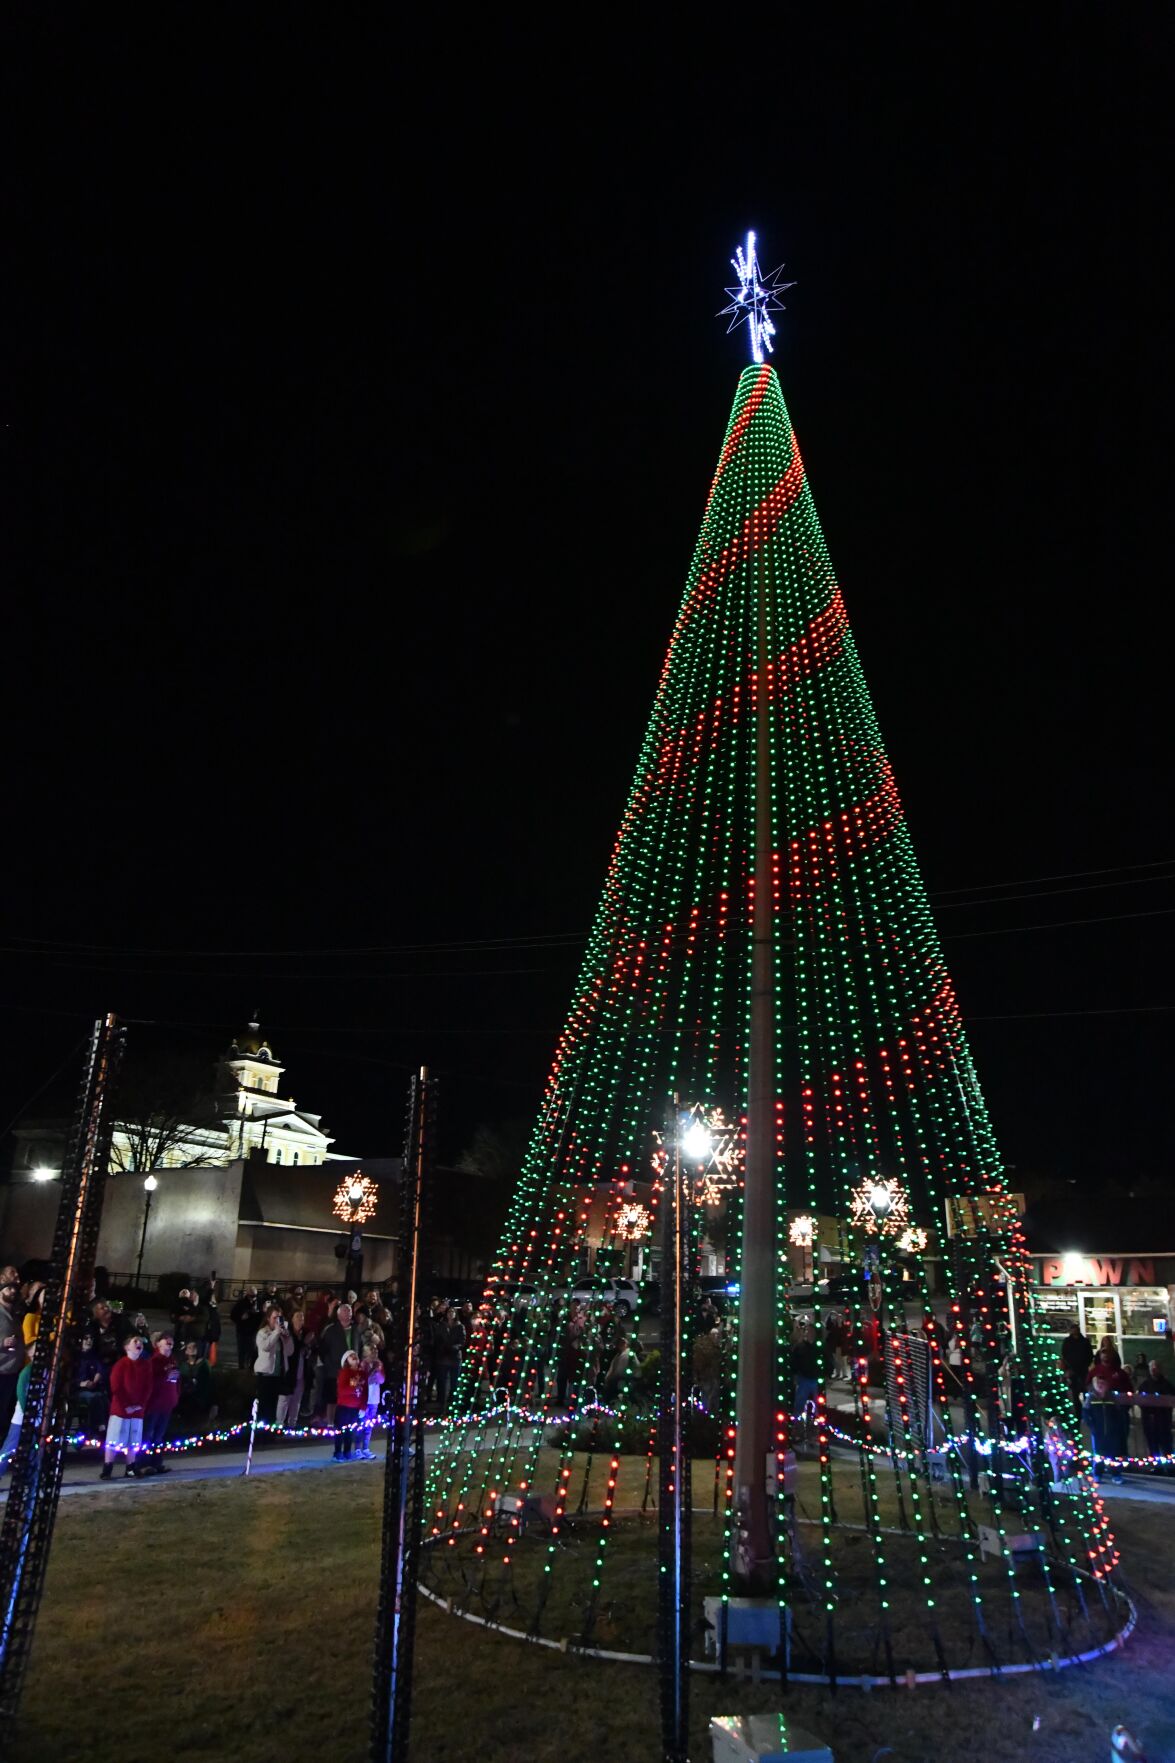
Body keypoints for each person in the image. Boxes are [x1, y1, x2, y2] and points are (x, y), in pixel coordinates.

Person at [101, 1334, 154, 1479]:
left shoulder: (145, 1365)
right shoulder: (121, 1364)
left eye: (140, 1341)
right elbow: (116, 1387)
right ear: (127, 1347)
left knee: (134, 1439)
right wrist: (126, 1405)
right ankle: (108, 1467)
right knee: (114, 1438)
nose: (139, 1343)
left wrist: (140, 1404)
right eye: (134, 1341)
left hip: (137, 1410)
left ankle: (131, 1467)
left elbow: (148, 1386)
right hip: (121, 1410)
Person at [1085, 1350, 1133, 1483]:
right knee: (1099, 1453)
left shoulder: (1112, 1397)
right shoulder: (1091, 1397)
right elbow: (1086, 1412)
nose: (1101, 1386)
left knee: (1114, 1452)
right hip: (1098, 1429)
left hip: (1112, 1430)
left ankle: (1116, 1474)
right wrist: (1091, 1425)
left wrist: (1117, 1425)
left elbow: (1118, 1412)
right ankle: (1098, 1473)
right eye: (1098, 1384)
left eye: (1103, 1384)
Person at [142, 1331, 183, 1472]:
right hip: (154, 1403)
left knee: (159, 1435)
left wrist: (176, 1396)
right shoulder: (153, 1362)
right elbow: (149, 1382)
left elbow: (177, 1381)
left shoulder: (173, 1361)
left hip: (167, 1403)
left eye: (171, 1340)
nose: (169, 1342)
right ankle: (143, 1463)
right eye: (165, 1340)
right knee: (148, 1434)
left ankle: (156, 1463)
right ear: (158, 1344)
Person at [253, 1305, 291, 1425]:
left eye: (279, 1318)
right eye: (275, 1318)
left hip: (278, 1374)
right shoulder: (263, 1332)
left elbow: (290, 1351)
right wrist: (276, 1332)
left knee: (274, 1405)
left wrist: (287, 1337)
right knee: (264, 1405)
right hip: (265, 1374)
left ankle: (271, 1430)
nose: (277, 1321)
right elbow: (266, 1347)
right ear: (268, 1318)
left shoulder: (281, 1333)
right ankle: (261, 1432)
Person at [276, 1309, 310, 1430]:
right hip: (289, 1370)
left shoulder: (305, 1333)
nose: (301, 1320)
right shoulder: (288, 1333)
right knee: (285, 1398)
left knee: (297, 1399)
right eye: (298, 1317)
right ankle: (279, 1424)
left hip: (301, 1371)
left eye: (302, 1318)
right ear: (292, 1319)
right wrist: (304, 1343)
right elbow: (290, 1350)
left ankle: (292, 1424)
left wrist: (308, 1349)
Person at [1135, 1359, 1175, 1460]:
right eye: (1151, 1367)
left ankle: (1170, 1467)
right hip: (1149, 1421)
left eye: (1156, 1367)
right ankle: (1156, 1467)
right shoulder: (1144, 1385)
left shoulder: (1167, 1385)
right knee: (1152, 1445)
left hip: (1164, 1421)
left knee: (1166, 1445)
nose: (1154, 1369)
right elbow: (1140, 1400)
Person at [0, 1277, 24, 1439]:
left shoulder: (14, 1315)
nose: (13, 1291)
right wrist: (2, 1342)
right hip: (1, 1369)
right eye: (9, 1288)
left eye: (14, 1289)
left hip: (12, 1370)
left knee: (4, 1410)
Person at [73, 1328, 109, 1434]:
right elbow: (69, 1378)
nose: (89, 1341)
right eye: (86, 1338)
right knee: (95, 1397)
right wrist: (82, 1383)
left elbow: (100, 1369)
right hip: (77, 1390)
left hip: (93, 1388)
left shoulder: (94, 1356)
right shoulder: (75, 1357)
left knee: (104, 1398)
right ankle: (97, 1427)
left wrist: (97, 1378)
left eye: (91, 1339)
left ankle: (102, 1427)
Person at [355, 1332, 385, 1458]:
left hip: (374, 1398)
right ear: (365, 1352)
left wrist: (378, 1371)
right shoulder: (362, 1365)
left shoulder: (379, 1364)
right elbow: (361, 1380)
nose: (375, 1352)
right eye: (372, 1350)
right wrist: (372, 1371)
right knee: (361, 1424)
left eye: (376, 1350)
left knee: (369, 1424)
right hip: (364, 1399)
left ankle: (366, 1447)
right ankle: (357, 1449)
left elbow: (382, 1380)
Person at [334, 1350, 365, 1460]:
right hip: (344, 1406)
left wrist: (363, 1407)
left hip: (355, 1408)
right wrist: (354, 1388)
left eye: (355, 1355)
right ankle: (337, 1453)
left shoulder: (361, 1373)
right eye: (351, 1356)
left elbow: (365, 1392)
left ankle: (347, 1452)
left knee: (350, 1432)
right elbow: (342, 1390)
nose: (354, 1357)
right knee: (340, 1431)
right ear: (346, 1360)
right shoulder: (344, 1372)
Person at [1060, 1322, 1094, 1414]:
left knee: (1085, 1390)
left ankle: (1087, 1410)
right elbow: (1064, 1354)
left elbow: (1090, 1354)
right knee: (1075, 1392)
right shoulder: (1067, 1341)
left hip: (1083, 1369)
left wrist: (1086, 1364)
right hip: (1072, 1370)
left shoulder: (1084, 1341)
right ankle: (1078, 1411)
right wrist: (1067, 1367)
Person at [177, 1341, 213, 1425]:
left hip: (199, 1397)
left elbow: (209, 1382)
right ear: (186, 1351)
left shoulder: (203, 1364)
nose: (192, 1349)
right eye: (189, 1347)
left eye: (194, 1347)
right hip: (185, 1398)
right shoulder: (183, 1365)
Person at [231, 1287, 262, 1369]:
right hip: (242, 1331)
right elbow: (233, 1316)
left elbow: (262, 1317)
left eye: (255, 1295)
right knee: (242, 1351)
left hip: (254, 1331)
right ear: (247, 1295)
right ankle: (241, 1368)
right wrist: (241, 1317)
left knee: (253, 1351)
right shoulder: (241, 1303)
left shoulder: (259, 1303)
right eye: (251, 1296)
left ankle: (251, 1368)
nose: (253, 1298)